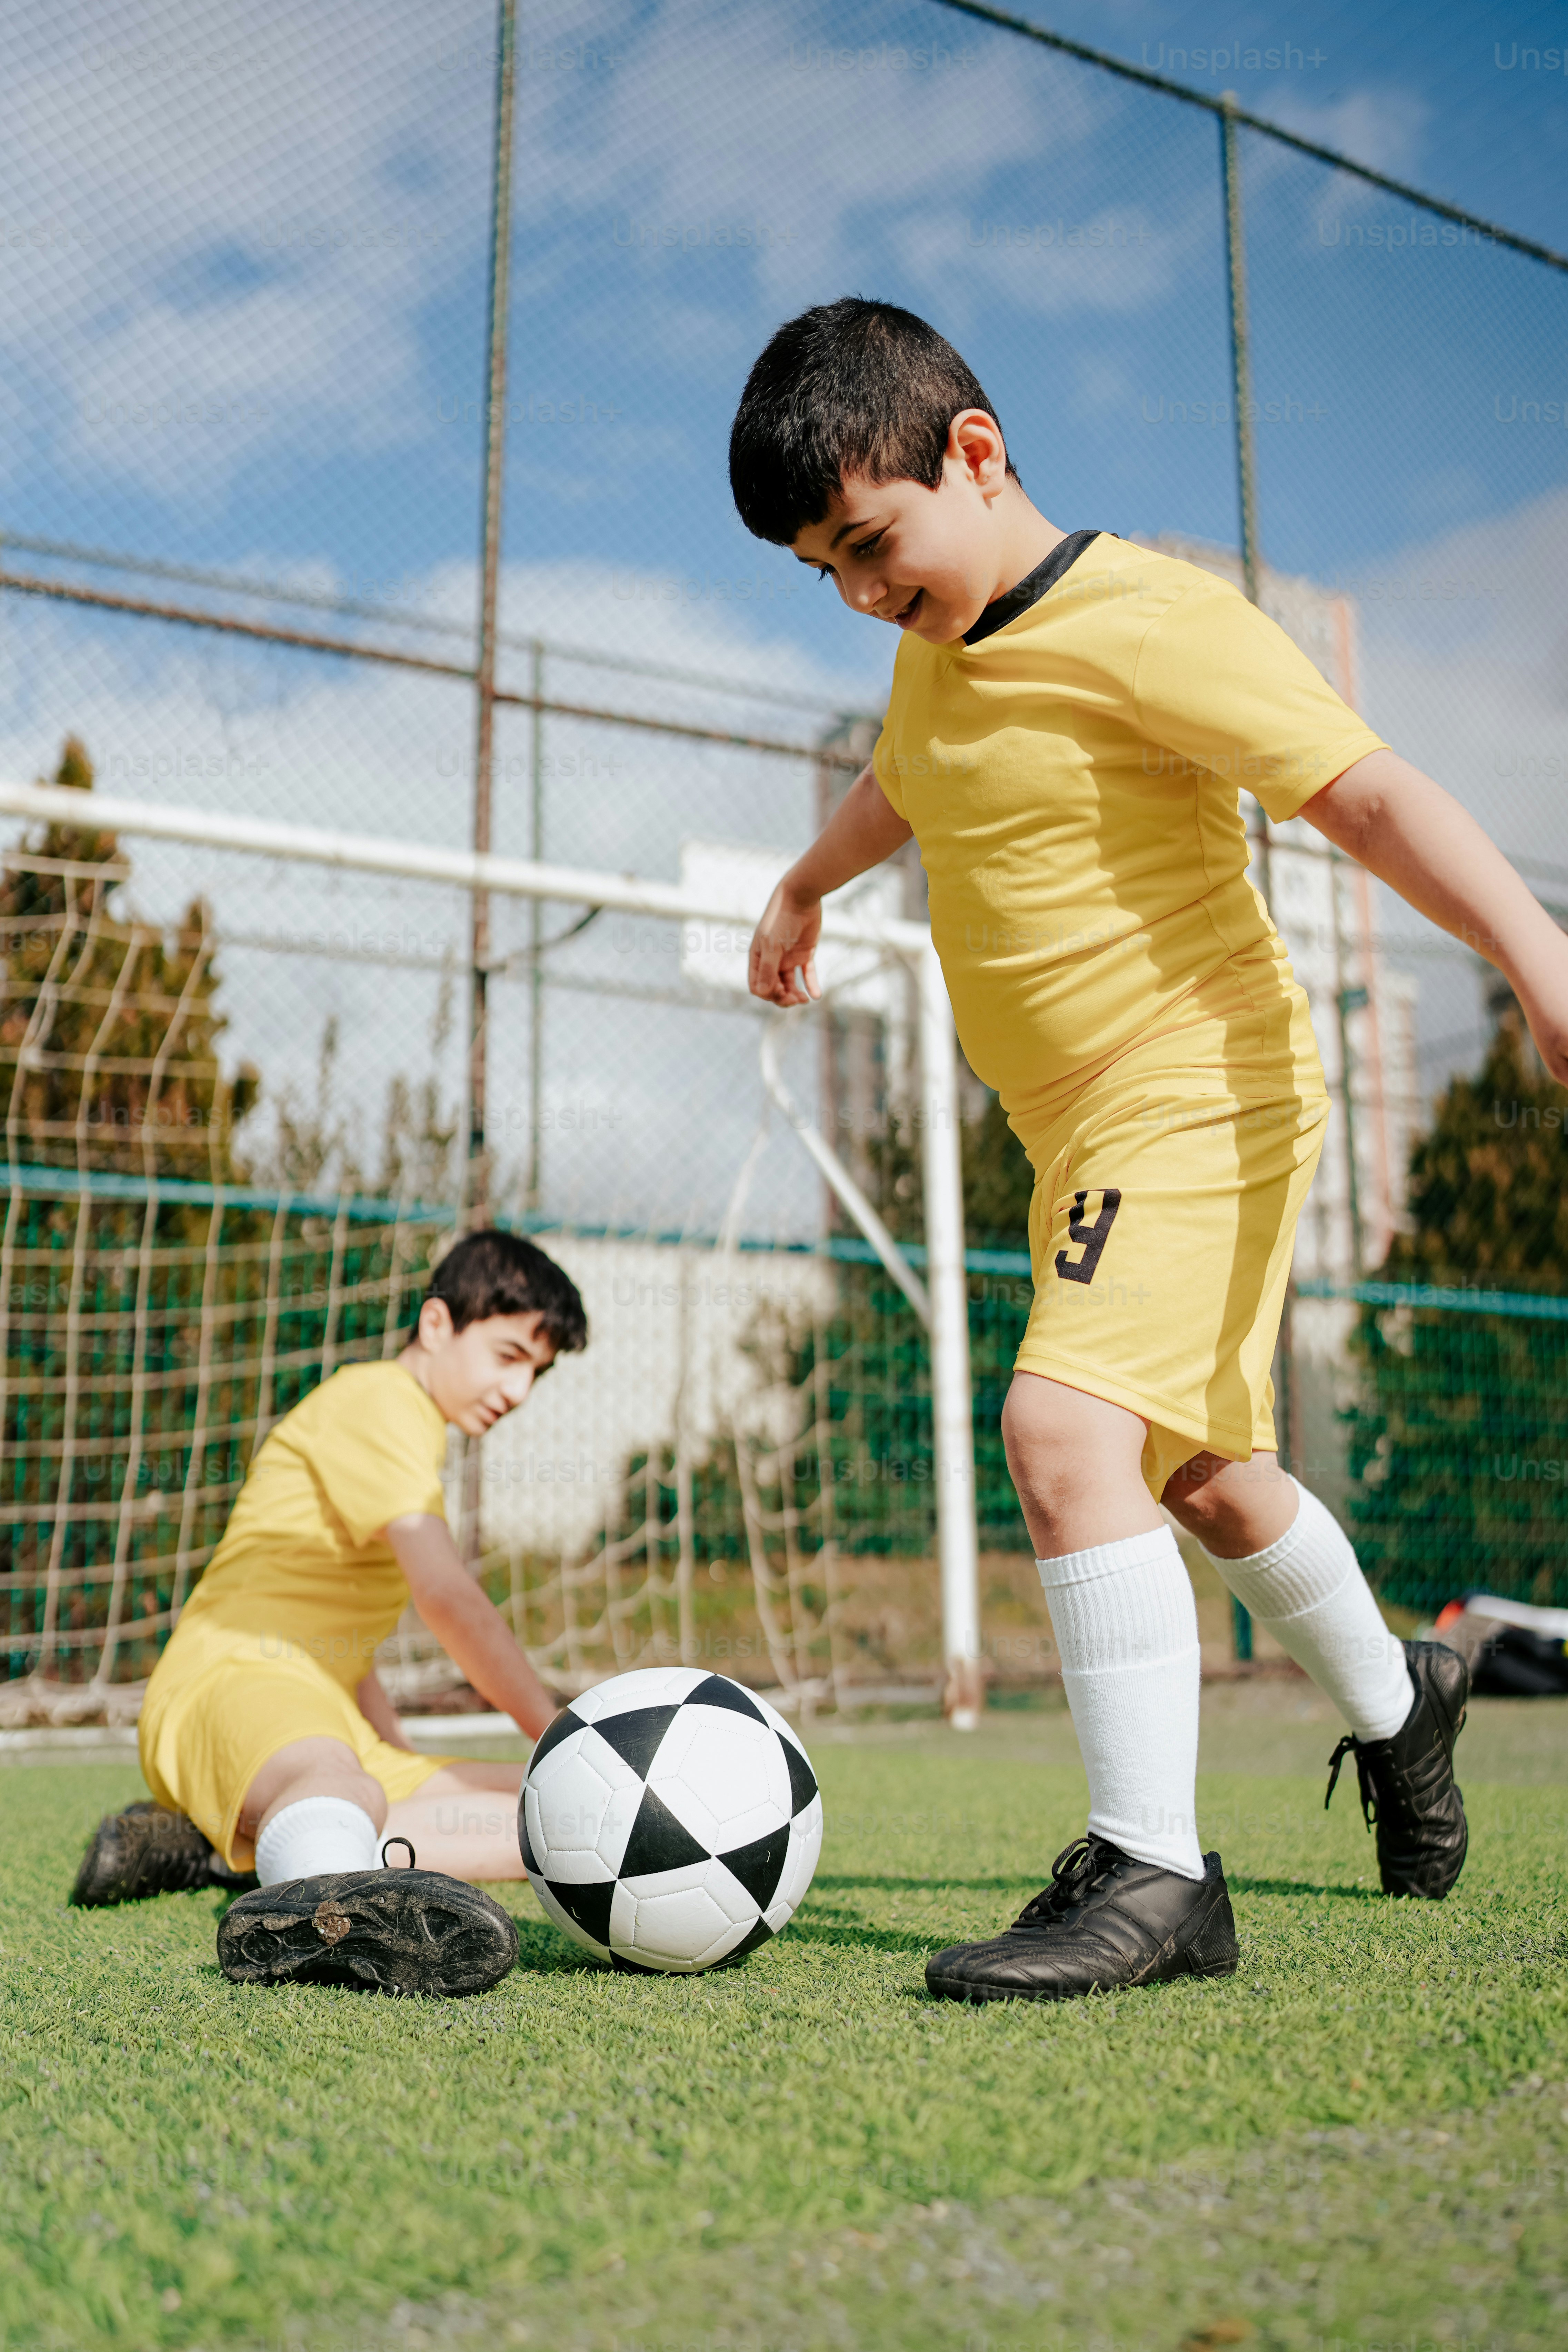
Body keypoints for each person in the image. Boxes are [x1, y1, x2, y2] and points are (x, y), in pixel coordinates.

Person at [730, 297, 1566, 2003]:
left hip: (1198, 1084)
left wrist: (1537, 958)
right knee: (1197, 1477)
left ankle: (1155, 1874)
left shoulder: (1150, 621)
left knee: (1058, 1430)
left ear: (973, 453)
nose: (860, 593)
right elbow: (906, 778)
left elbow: (1367, 795)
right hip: (1078, 1135)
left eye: (869, 545)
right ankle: (1404, 1705)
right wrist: (806, 884)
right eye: (825, 571)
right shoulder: (930, 652)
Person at [72, 1228, 586, 1999]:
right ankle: (318, 1906)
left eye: (535, 1373)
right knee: (350, 1780)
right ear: (437, 1323)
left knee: (566, 1811)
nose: (518, 1390)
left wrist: (399, 1754)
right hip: (235, 1674)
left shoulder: (410, 1431)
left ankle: (225, 1844)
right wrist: (563, 1734)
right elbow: (448, 1598)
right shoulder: (382, 1400)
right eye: (509, 1355)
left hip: (325, 1710)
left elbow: (350, 1646)